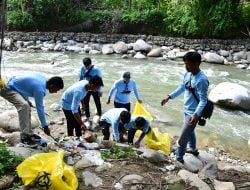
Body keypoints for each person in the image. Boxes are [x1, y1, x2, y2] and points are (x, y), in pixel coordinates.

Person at [161, 52, 209, 163]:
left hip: (194, 113)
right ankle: (193, 148)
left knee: (182, 138)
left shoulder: (202, 80)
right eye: (185, 64)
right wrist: (169, 96)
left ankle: (179, 159)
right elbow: (182, 87)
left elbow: (203, 100)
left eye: (188, 64)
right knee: (190, 131)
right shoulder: (188, 74)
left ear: (197, 63)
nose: (186, 66)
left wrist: (196, 115)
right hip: (186, 110)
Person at [0, 74, 64, 147]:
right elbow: (40, 109)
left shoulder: (42, 80)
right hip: (7, 89)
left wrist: (27, 100)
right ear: (52, 86)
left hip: (15, 87)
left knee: (27, 106)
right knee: (24, 106)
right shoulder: (40, 89)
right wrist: (45, 126)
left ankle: (29, 133)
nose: (56, 92)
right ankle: (24, 137)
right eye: (57, 89)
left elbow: (23, 87)